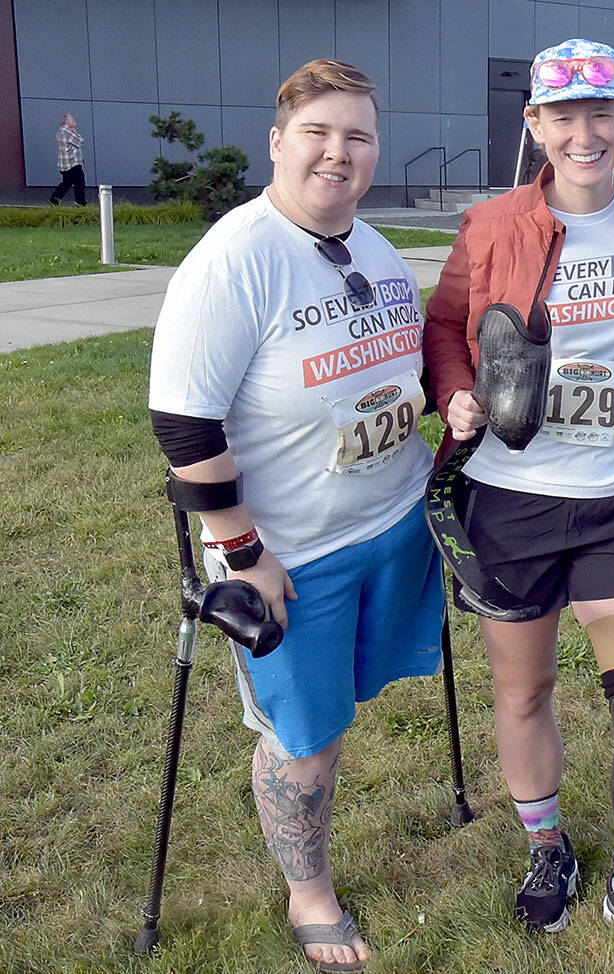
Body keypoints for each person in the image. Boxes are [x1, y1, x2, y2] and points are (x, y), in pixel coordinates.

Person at [424, 38, 614, 973]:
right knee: (526, 688)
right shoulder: (489, 226)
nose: (584, 133)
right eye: (564, 115)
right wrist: (455, 391)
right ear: (535, 125)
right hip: (509, 501)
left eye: (602, 112)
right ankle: (548, 847)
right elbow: (443, 329)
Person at [148, 59, 444, 974]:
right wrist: (242, 553)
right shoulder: (234, 260)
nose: (337, 152)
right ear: (277, 142)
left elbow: (401, 373)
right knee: (303, 744)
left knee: (346, 711)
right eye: (318, 132)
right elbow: (183, 420)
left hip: (391, 524)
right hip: (292, 556)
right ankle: (307, 892)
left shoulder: (378, 249)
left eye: (357, 135)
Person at [50, 113, 86, 206]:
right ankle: (81, 203)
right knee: (79, 183)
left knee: (66, 183)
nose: (75, 122)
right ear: (67, 121)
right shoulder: (67, 131)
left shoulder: (60, 131)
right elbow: (80, 142)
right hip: (72, 163)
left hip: (65, 165)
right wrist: (76, 132)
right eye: (72, 119)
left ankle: (54, 200)